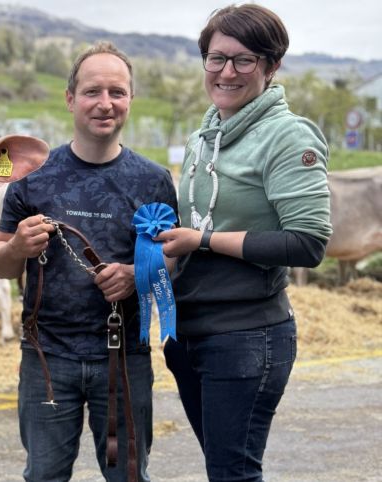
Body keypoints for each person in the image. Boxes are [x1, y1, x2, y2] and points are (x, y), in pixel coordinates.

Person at [154, 5, 331, 482]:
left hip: (246, 335)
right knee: (223, 470)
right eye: (216, 58)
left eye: (244, 59)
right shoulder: (203, 136)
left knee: (233, 473)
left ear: (272, 66)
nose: (226, 71)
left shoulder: (288, 137)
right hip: (190, 332)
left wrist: (204, 240)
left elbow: (308, 243)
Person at [0, 41, 177, 482]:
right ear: (71, 99)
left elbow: (172, 258)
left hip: (125, 357)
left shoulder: (153, 180)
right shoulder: (32, 177)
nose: (105, 103)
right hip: (47, 358)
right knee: (44, 476)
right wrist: (17, 247)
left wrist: (137, 275)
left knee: (129, 475)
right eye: (93, 91)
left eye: (117, 92)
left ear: (130, 99)